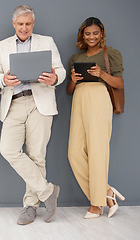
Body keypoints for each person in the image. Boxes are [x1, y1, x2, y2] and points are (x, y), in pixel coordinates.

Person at [0, 5, 66, 225]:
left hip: (39, 101)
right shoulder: (1, 46)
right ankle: (48, 191)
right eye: (20, 24)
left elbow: (60, 70)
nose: (24, 28)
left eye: (28, 24)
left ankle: (30, 206)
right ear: (14, 24)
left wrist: (55, 78)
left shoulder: (47, 41)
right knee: (8, 150)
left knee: (37, 155)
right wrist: (3, 79)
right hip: (13, 102)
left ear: (33, 24)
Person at [67, 17, 125, 219]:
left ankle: (97, 204)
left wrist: (101, 73)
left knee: (97, 152)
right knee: (74, 154)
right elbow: (68, 90)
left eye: (95, 33)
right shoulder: (75, 58)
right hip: (79, 100)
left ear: (101, 33)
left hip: (100, 99)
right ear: (82, 35)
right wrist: (73, 81)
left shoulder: (111, 54)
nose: (91, 37)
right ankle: (107, 191)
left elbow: (119, 83)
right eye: (87, 33)